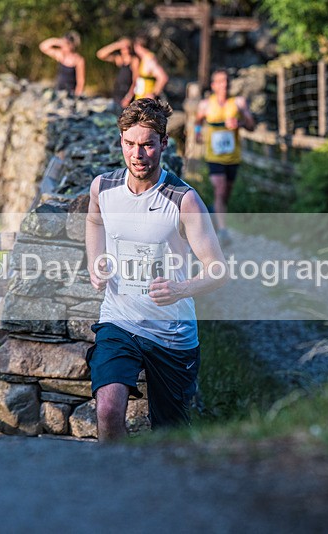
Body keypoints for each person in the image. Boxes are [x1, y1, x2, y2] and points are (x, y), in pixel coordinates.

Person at [85, 98, 228, 441]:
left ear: (163, 144)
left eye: (147, 145)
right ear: (121, 141)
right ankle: (115, 484)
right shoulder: (103, 187)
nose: (138, 154)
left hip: (171, 334)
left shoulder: (183, 199)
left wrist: (179, 289)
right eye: (130, 144)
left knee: (170, 436)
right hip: (119, 319)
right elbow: (93, 220)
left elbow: (218, 270)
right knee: (107, 409)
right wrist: (95, 260)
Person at [195, 69, 256, 247]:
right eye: (220, 81)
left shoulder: (238, 103)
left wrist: (241, 122)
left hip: (233, 156)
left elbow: (252, 126)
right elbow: (198, 121)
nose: (225, 85)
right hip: (213, 156)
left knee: (225, 194)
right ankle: (223, 232)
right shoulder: (205, 105)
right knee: (220, 189)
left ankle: (214, 212)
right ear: (213, 85)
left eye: (227, 81)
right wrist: (198, 133)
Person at [39, 32, 86, 96]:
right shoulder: (60, 55)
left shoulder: (78, 60)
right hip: (59, 90)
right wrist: (58, 41)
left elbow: (81, 80)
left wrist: (77, 95)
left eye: (66, 44)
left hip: (71, 92)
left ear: (72, 45)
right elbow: (43, 47)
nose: (63, 46)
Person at [96, 37, 136, 108]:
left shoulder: (134, 60)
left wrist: (128, 97)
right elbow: (100, 54)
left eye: (128, 47)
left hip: (127, 95)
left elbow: (135, 81)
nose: (125, 50)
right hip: (117, 93)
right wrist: (116, 45)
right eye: (123, 47)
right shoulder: (120, 59)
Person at [131, 35, 168, 101]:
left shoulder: (149, 59)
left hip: (147, 102)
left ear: (138, 45)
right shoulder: (143, 59)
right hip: (140, 99)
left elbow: (163, 77)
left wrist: (153, 94)